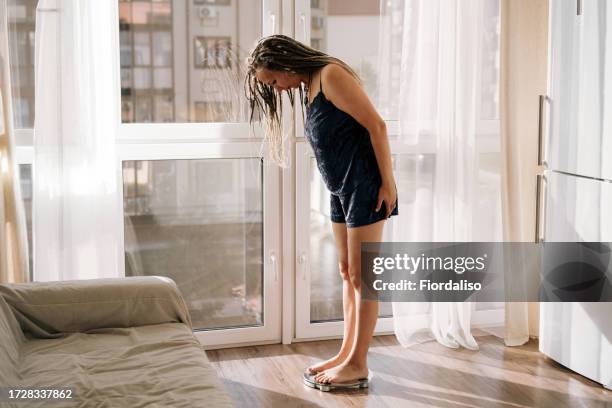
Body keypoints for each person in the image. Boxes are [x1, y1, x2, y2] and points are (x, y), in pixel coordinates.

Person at [245, 35, 398, 388]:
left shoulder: (331, 75)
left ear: (285, 64)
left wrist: (387, 185)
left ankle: (359, 363)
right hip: (339, 188)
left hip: (364, 185)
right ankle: (346, 353)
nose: (277, 89)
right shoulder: (310, 86)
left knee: (365, 278)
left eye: (272, 81)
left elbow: (377, 127)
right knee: (348, 272)